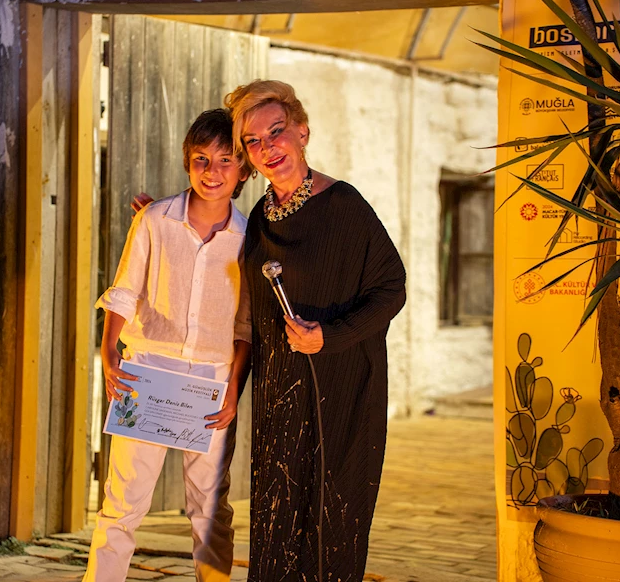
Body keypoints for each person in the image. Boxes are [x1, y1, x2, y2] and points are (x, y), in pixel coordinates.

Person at [226, 80, 406, 581]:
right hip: (280, 399)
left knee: (331, 527)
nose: (267, 147)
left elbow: (391, 288)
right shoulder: (260, 218)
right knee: (276, 525)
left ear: (302, 132)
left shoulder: (344, 205)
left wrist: (329, 335)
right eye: (253, 141)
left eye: (276, 131)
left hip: (341, 394)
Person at [83, 108, 252, 582]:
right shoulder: (154, 220)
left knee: (210, 508)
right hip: (147, 372)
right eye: (201, 159)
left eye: (225, 160)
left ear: (243, 170)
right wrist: (109, 352)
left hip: (212, 381)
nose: (212, 171)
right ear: (187, 162)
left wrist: (234, 388)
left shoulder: (248, 239)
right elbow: (124, 290)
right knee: (122, 503)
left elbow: (245, 326)